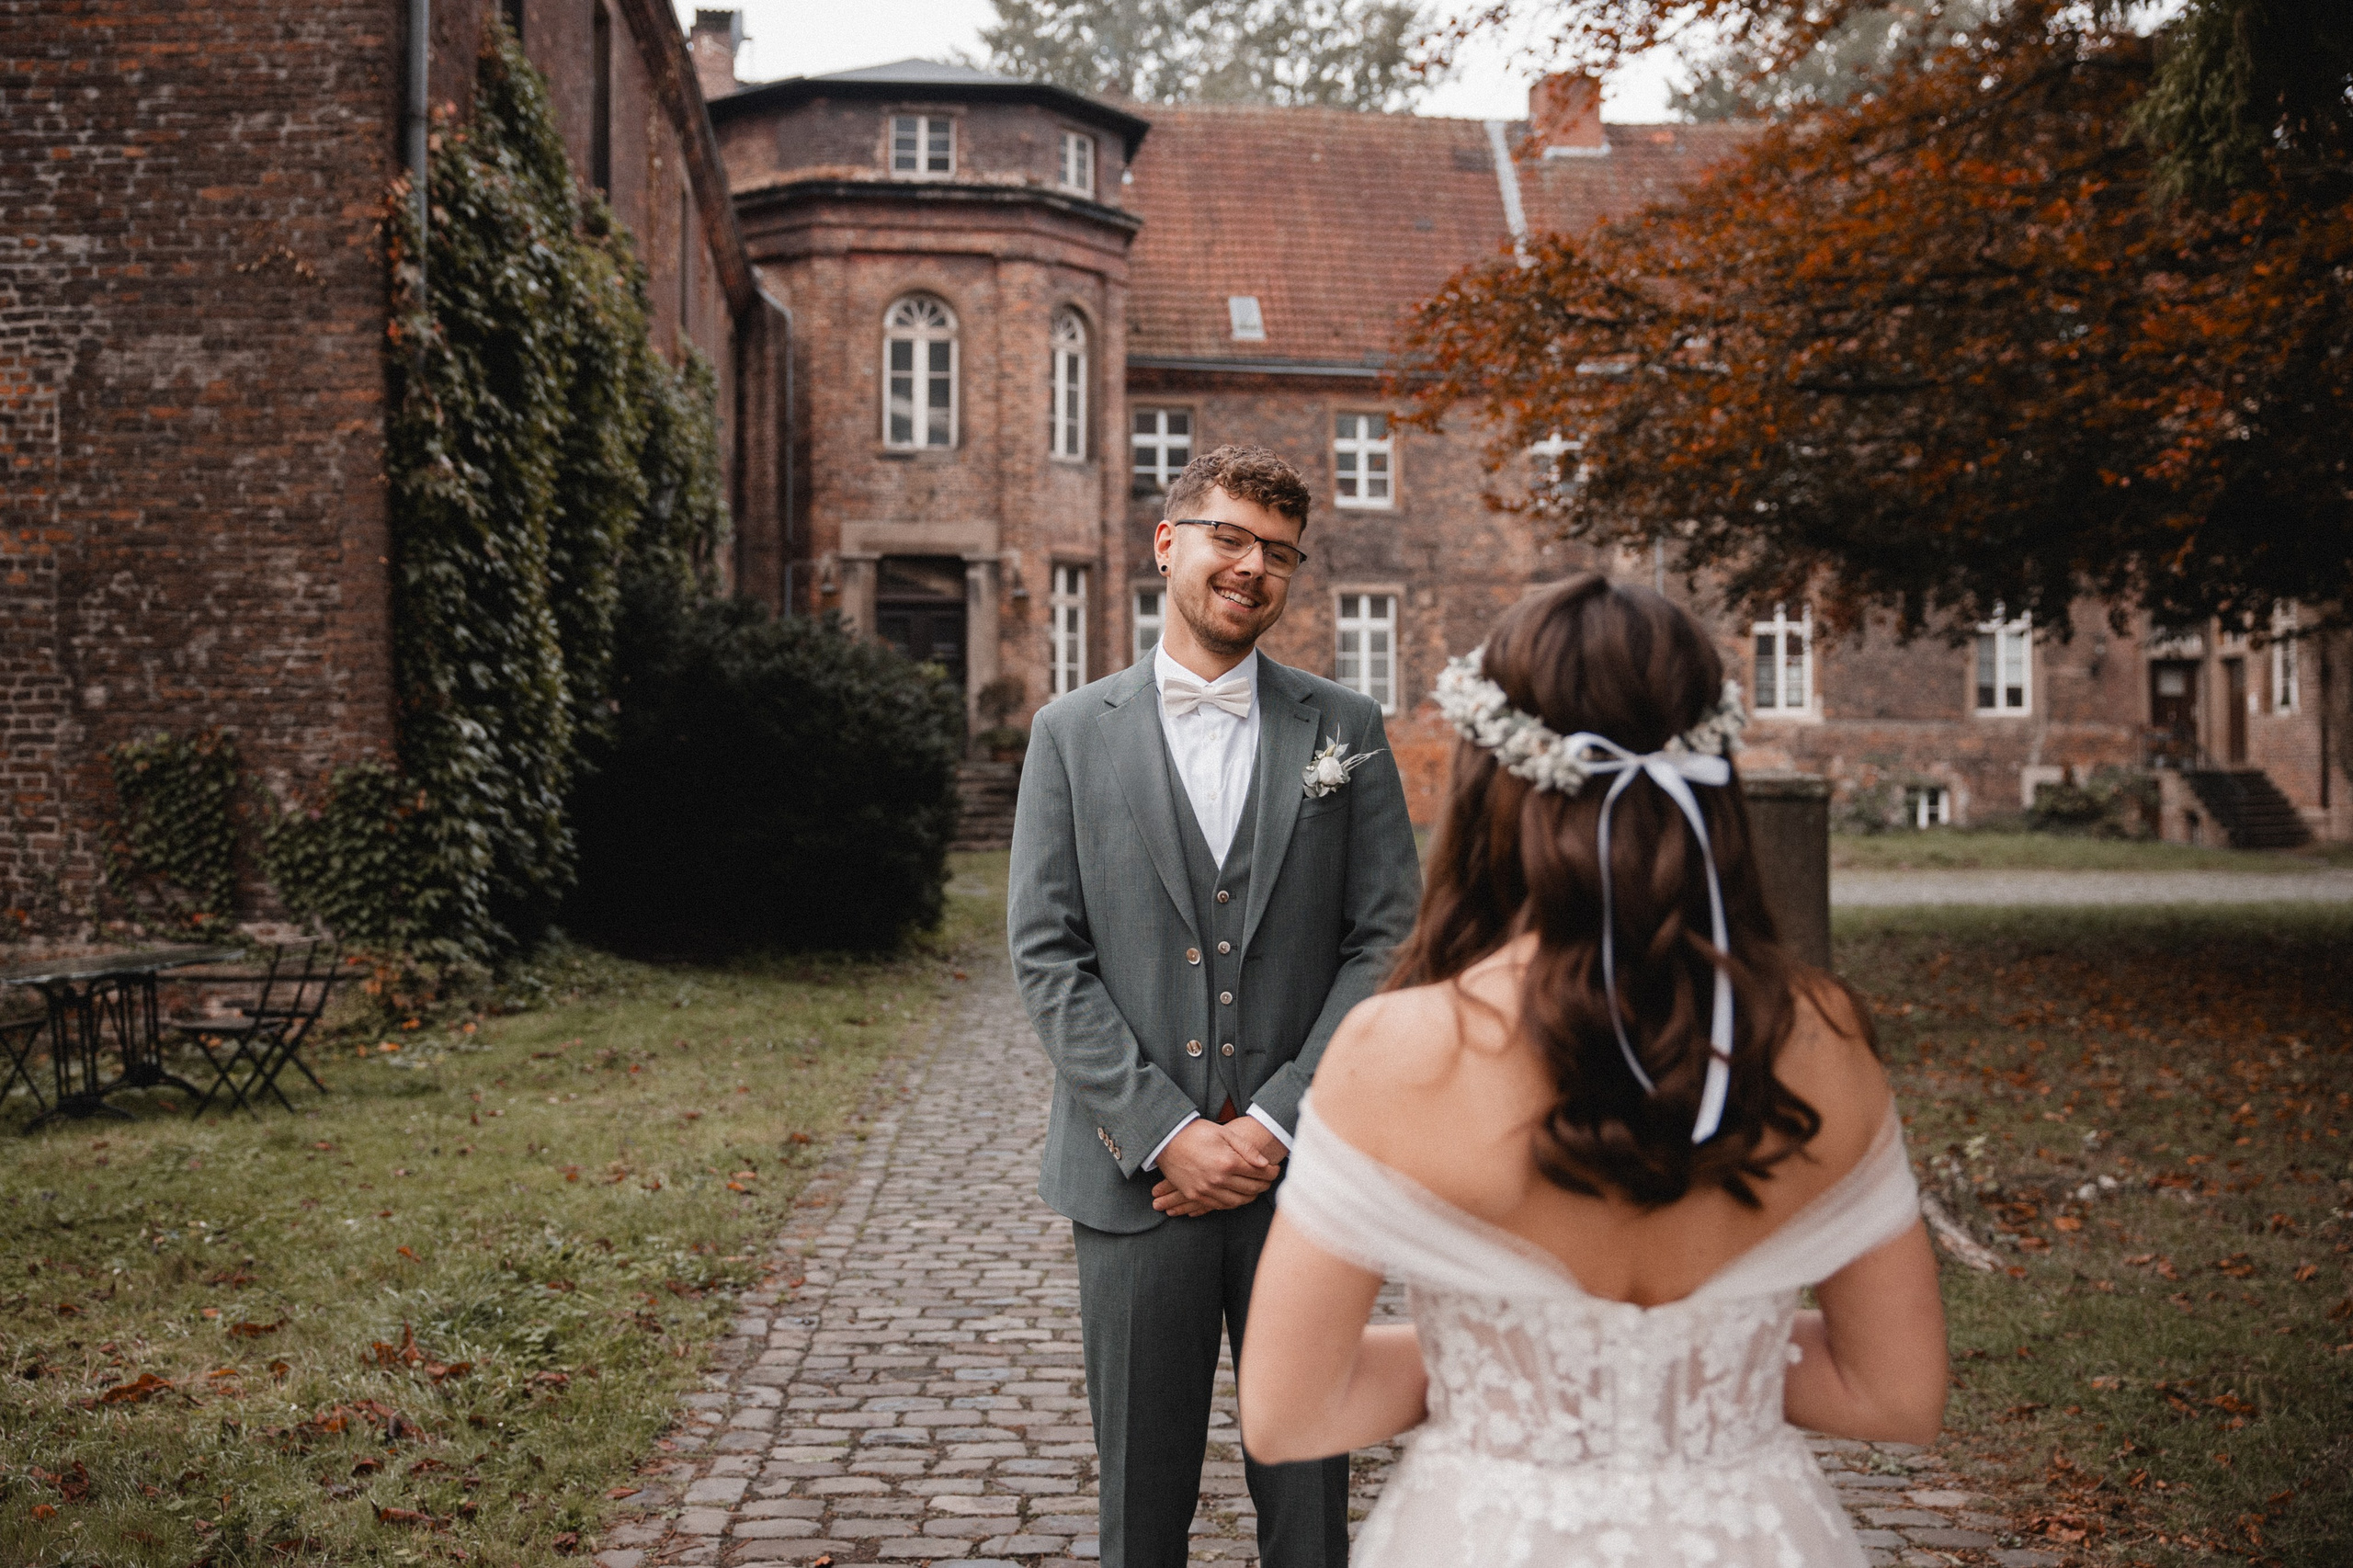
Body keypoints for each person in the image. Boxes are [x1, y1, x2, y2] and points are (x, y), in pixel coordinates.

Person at [1237, 574, 1949, 1567]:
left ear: (1492, 776)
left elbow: (1289, 1410)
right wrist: (1690, 1368)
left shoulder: (1395, 1048)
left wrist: (1517, 1371)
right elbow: (1895, 1392)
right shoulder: (1820, 1036)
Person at [1008, 443, 1422, 1568]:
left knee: (1307, 1504)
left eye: (1279, 553)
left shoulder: (1344, 726)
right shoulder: (1070, 731)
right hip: (1133, 1180)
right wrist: (1165, 1132)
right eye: (1229, 538)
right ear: (1168, 544)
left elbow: (1386, 940)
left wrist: (1278, 1120)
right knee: (1140, 1509)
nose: (1252, 569)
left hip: (1305, 1180)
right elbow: (1046, 952)